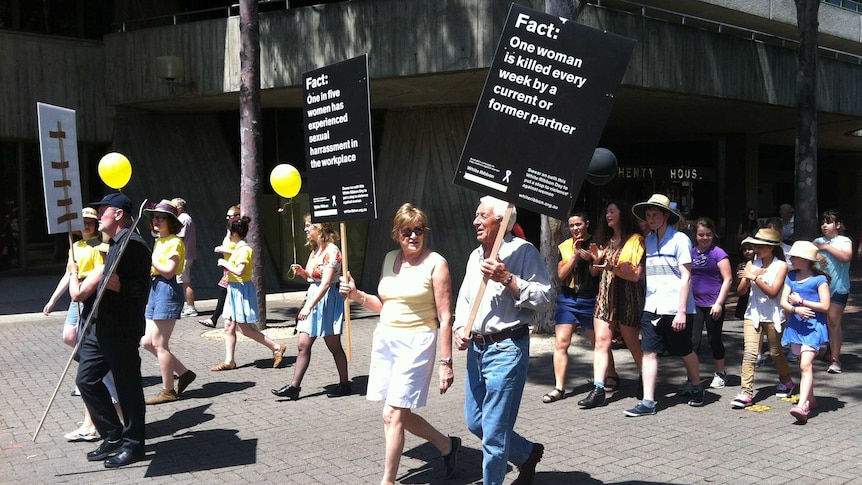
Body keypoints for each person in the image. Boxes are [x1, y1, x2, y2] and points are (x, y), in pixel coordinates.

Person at [338, 203, 461, 484]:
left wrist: (446, 362)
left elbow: (445, 316)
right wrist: (356, 295)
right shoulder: (390, 258)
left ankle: (388, 481)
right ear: (397, 233)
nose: (414, 236)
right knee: (398, 412)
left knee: (392, 413)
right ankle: (446, 445)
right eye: (407, 230)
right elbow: (384, 305)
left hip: (417, 342)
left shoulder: (436, 264)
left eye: (419, 230)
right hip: (386, 339)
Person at [453, 195, 551, 485]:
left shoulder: (522, 251)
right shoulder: (475, 256)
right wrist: (461, 328)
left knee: (494, 432)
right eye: (477, 215)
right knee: (476, 421)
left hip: (507, 348)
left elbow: (545, 298)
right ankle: (526, 453)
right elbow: (465, 299)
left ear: (502, 220)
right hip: (477, 349)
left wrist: (508, 278)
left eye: (482, 216)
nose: (476, 221)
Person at [70, 193, 151, 468]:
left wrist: (120, 287)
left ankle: (134, 445)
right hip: (100, 326)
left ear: (118, 214)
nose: (97, 215)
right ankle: (113, 435)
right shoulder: (114, 244)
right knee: (86, 380)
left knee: (128, 388)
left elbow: (141, 290)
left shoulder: (135, 246)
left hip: (122, 329)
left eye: (102, 210)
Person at [43, 207, 120, 441]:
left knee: (92, 365)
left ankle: (95, 420)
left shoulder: (100, 246)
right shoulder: (74, 247)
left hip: (90, 294)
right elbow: (69, 275)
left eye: (90, 221)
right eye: (82, 222)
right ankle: (89, 359)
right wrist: (53, 299)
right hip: (77, 294)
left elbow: (102, 276)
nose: (86, 225)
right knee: (68, 336)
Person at [625, 194, 702, 417]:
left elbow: (686, 276)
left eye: (655, 214)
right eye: (648, 215)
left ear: (666, 216)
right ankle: (648, 402)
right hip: (652, 306)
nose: (651, 218)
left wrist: (681, 312)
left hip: (676, 308)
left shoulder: (680, 240)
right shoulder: (646, 241)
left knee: (685, 350)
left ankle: (697, 386)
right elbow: (645, 274)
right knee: (648, 352)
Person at [271, 216, 349, 399]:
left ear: (320, 227)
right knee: (303, 344)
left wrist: (308, 307)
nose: (306, 230)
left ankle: (345, 383)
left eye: (308, 226)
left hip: (327, 299)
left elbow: (327, 282)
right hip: (314, 296)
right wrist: (302, 272)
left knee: (333, 345)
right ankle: (294, 387)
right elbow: (313, 278)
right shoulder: (315, 249)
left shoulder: (332, 250)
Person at [578, 201, 644, 409]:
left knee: (633, 345)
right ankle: (598, 388)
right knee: (601, 343)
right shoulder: (604, 241)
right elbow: (594, 273)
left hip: (626, 297)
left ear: (622, 214)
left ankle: (645, 377)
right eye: (606, 211)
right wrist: (594, 260)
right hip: (605, 297)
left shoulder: (636, 241)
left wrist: (611, 266)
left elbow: (635, 276)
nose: (607, 215)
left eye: (612, 211)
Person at [211, 216, 287, 371]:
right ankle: (229, 361)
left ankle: (276, 347)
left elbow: (240, 271)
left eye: (229, 230)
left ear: (233, 233)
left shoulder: (244, 249)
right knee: (228, 326)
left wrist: (224, 263)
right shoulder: (238, 247)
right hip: (233, 288)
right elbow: (229, 249)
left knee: (245, 329)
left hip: (241, 289)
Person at [139, 200, 196, 405]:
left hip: (167, 288)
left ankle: (168, 390)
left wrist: (149, 259)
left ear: (171, 222)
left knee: (159, 344)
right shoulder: (159, 241)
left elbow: (169, 270)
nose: (156, 220)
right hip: (155, 288)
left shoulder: (175, 242)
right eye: (154, 217)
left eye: (161, 217)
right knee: (147, 342)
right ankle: (183, 373)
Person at [732, 227, 792, 408]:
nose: (757, 249)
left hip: (773, 316)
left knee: (775, 353)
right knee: (749, 354)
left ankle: (787, 381)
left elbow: (774, 292)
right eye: (755, 245)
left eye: (761, 246)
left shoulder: (781, 266)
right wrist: (748, 277)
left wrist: (755, 278)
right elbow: (741, 291)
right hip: (753, 314)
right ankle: (746, 392)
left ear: (772, 247)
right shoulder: (752, 263)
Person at [543, 211, 600, 404]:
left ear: (587, 224)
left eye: (579, 224)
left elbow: (595, 274)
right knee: (561, 343)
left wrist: (593, 259)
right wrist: (575, 257)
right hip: (568, 299)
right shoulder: (565, 246)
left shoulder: (596, 243)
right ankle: (559, 387)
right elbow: (561, 274)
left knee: (598, 344)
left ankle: (609, 376)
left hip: (589, 299)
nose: (575, 228)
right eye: (572, 225)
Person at [779, 241, 830, 424]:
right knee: (803, 364)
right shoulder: (791, 277)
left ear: (806, 259)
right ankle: (812, 399)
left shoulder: (819, 280)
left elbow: (825, 305)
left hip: (813, 327)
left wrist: (801, 303)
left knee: (805, 365)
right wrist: (795, 310)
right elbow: (784, 302)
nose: (791, 259)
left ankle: (802, 405)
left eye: (794, 257)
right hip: (796, 326)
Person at [690, 217, 732, 389]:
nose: (705, 238)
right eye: (701, 235)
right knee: (693, 341)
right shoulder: (690, 252)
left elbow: (728, 279)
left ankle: (720, 372)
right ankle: (692, 377)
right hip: (694, 304)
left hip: (713, 303)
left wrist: (719, 303)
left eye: (708, 234)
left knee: (714, 339)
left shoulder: (718, 253)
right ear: (695, 235)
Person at [814, 209, 851, 374]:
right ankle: (828, 349)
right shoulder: (816, 241)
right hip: (819, 288)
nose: (824, 225)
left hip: (839, 288)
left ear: (837, 225)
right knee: (823, 321)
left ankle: (835, 360)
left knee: (833, 321)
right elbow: (806, 260)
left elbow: (846, 257)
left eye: (828, 222)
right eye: (822, 222)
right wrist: (816, 256)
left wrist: (826, 249)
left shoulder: (844, 241)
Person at [199, 204, 240, 328]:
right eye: (227, 216)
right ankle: (218, 318)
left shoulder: (241, 232)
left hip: (236, 266)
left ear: (238, 216)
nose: (228, 218)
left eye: (231, 216)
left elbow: (244, 250)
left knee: (224, 291)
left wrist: (224, 250)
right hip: (227, 266)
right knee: (225, 291)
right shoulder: (230, 229)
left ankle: (215, 318)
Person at [172, 197, 198, 317]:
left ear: (180, 208)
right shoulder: (185, 218)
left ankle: (191, 307)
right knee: (183, 281)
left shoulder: (183, 219)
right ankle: (187, 306)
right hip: (187, 254)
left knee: (184, 282)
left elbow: (179, 238)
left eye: (173, 207)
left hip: (184, 255)